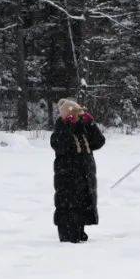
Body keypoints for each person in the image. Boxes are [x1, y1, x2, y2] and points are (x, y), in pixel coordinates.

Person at [50, 98, 105, 243]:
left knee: (82, 204)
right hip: (67, 179)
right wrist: (68, 126)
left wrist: (91, 124)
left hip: (84, 177)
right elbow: (60, 145)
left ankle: (79, 231)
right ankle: (68, 236)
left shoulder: (83, 129)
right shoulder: (60, 130)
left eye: (78, 113)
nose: (76, 116)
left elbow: (99, 142)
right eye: (73, 114)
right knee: (68, 206)